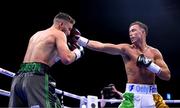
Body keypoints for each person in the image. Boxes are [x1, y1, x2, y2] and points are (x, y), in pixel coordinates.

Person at [72, 21, 171, 108]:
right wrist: (80, 40)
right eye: (129, 32)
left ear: (143, 32)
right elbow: (102, 46)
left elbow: (167, 76)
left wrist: (151, 66)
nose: (130, 34)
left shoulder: (155, 53)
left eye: (133, 31)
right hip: (132, 96)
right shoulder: (126, 49)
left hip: (152, 96)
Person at [8, 12, 84, 108]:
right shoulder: (59, 34)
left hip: (18, 79)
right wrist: (78, 52)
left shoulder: (36, 35)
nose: (69, 33)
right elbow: (67, 59)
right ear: (61, 24)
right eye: (69, 28)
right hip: (36, 78)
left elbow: (41, 60)